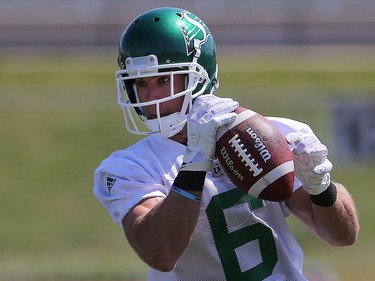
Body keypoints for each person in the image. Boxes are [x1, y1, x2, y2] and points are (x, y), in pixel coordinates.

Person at [93, 7, 359, 281]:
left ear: (200, 77)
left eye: (163, 80)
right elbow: (161, 253)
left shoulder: (272, 134)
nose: (151, 97)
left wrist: (322, 188)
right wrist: (195, 164)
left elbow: (342, 236)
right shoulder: (128, 167)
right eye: (140, 83)